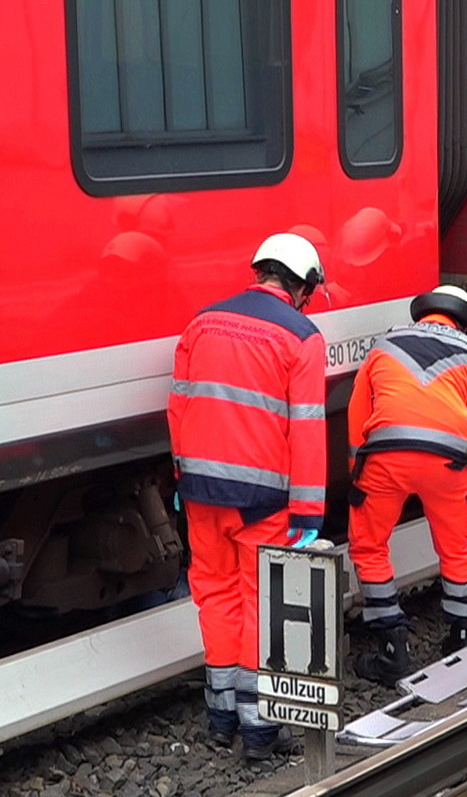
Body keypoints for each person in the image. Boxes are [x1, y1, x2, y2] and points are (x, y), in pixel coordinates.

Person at [167, 233, 328, 762]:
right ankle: (258, 728)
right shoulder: (301, 337)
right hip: (261, 495)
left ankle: (219, 715)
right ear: (301, 285)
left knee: (213, 594)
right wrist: (308, 511)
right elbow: (307, 429)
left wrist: (182, 477)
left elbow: (179, 408)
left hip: (199, 490)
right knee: (261, 600)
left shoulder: (201, 322)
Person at [347, 286, 467, 684]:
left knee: (369, 546)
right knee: (455, 547)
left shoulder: (384, 346)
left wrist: (357, 473)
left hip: (385, 455)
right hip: (448, 461)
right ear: (464, 322)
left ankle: (392, 649)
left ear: (424, 315)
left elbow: (356, 415)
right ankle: (464, 636)